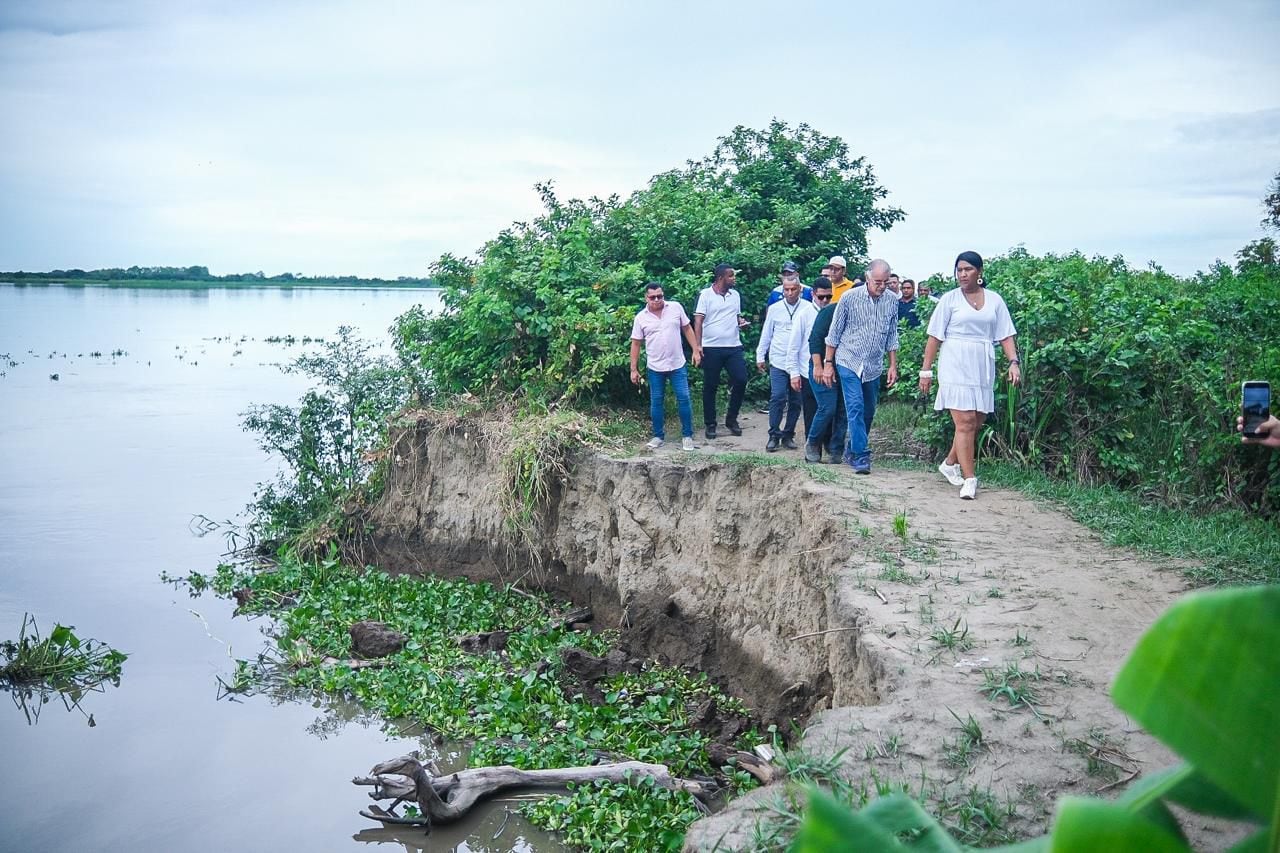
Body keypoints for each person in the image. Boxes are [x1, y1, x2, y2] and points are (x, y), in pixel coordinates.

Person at [918, 251, 1021, 499]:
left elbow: (1006, 334)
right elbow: (935, 337)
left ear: (979, 272)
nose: (962, 274)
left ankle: (949, 463)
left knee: (975, 421)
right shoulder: (949, 300)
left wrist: (1014, 362)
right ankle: (970, 479)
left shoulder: (995, 300)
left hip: (982, 363)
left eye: (967, 269)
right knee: (963, 422)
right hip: (955, 361)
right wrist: (926, 370)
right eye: (959, 270)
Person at [821, 259, 900, 474]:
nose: (881, 286)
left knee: (868, 411)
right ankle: (861, 455)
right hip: (849, 360)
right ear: (867, 278)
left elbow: (892, 335)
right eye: (877, 282)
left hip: (873, 365)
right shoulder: (849, 298)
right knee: (854, 406)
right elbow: (834, 334)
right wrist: (828, 364)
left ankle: (852, 448)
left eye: (885, 282)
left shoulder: (892, 301)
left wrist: (892, 365)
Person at [630, 282, 702, 451]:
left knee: (683, 398)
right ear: (646, 298)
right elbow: (635, 344)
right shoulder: (641, 318)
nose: (657, 300)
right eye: (652, 297)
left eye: (660, 296)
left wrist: (696, 350)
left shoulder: (675, 308)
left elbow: (687, 329)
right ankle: (658, 436)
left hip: (677, 363)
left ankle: (687, 435)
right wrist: (634, 369)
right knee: (656, 401)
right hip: (655, 366)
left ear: (663, 295)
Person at [758, 273, 815, 451]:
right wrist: (761, 355)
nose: (790, 293)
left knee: (796, 400)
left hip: (799, 362)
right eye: (786, 289)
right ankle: (774, 434)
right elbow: (766, 333)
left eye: (793, 289)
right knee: (777, 397)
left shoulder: (808, 307)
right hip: (778, 359)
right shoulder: (774, 308)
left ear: (800, 289)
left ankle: (788, 434)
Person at [694, 263, 750, 439]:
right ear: (720, 278)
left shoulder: (735, 295)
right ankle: (710, 424)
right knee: (711, 385)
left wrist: (741, 323)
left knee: (741, 379)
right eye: (731, 276)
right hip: (711, 347)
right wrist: (698, 346)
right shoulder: (705, 295)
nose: (734, 278)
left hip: (733, 345)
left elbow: (736, 316)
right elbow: (698, 321)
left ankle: (731, 419)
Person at [789, 277, 832, 459]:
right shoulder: (804, 314)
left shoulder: (833, 312)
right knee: (811, 411)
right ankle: (812, 450)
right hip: (808, 371)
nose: (824, 301)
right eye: (821, 297)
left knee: (829, 409)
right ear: (813, 294)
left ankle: (829, 446)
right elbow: (794, 346)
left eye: (828, 297)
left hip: (829, 369)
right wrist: (793, 373)